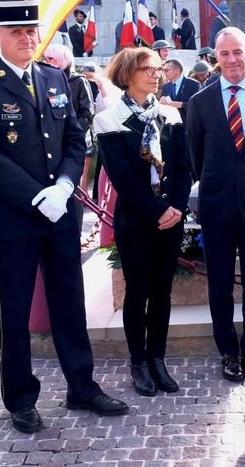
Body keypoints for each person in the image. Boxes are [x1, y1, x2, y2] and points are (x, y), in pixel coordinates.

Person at [0, 0, 128, 433]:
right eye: (16, 32)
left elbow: (75, 138)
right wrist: (39, 196)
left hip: (62, 213)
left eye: (31, 31)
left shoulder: (54, 77)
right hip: (16, 216)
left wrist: (67, 185)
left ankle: (82, 387)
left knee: (69, 304)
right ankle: (20, 397)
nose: (26, 38)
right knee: (13, 311)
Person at [94, 47, 193, 397]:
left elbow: (184, 168)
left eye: (158, 68)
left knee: (162, 292)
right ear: (127, 74)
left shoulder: (171, 115)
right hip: (136, 220)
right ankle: (138, 361)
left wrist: (177, 208)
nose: (156, 73)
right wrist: (156, 211)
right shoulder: (109, 120)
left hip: (171, 218)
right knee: (137, 293)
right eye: (147, 68)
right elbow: (122, 178)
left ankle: (158, 359)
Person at [185, 27, 245, 383]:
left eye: (237, 52)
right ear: (215, 57)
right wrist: (221, 183)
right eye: (224, 54)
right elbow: (196, 157)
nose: (231, 60)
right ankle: (228, 351)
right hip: (216, 205)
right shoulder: (199, 103)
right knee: (220, 283)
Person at [42, 44, 96, 223]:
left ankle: (76, 230)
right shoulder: (46, 80)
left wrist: (71, 133)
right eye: (45, 59)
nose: (46, 62)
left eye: (50, 59)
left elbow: (87, 113)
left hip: (75, 142)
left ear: (62, 60)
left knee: (73, 188)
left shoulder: (79, 81)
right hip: (53, 144)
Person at [160, 58, 200, 122]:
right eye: (163, 70)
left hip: (188, 124)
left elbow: (199, 106)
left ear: (177, 71)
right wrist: (161, 103)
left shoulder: (193, 84)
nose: (164, 73)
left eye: (166, 70)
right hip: (171, 125)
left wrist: (182, 105)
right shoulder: (166, 86)